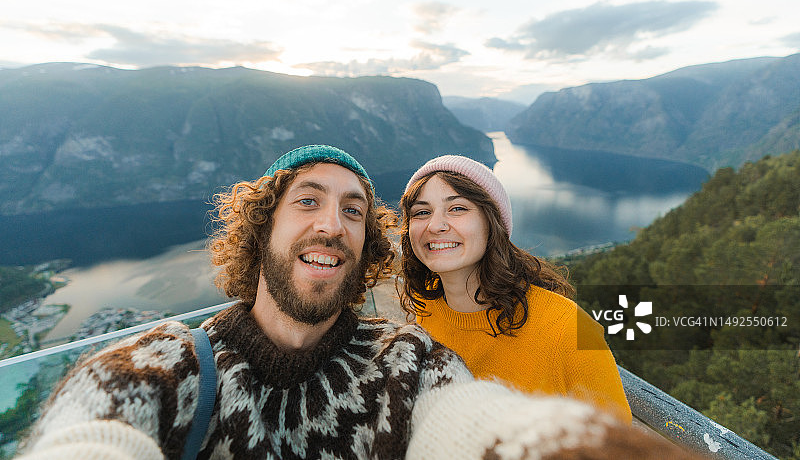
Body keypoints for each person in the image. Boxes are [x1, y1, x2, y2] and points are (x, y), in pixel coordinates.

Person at [18, 145, 699, 460]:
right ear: (261, 231)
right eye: (307, 200)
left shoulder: (406, 356)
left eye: (353, 210)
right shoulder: (157, 368)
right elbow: (93, 435)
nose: (330, 223)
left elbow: (457, 417)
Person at [398, 154, 633, 422]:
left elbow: (620, 445)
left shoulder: (567, 328)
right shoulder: (428, 303)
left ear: (492, 223)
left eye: (458, 208)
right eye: (421, 212)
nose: (435, 225)